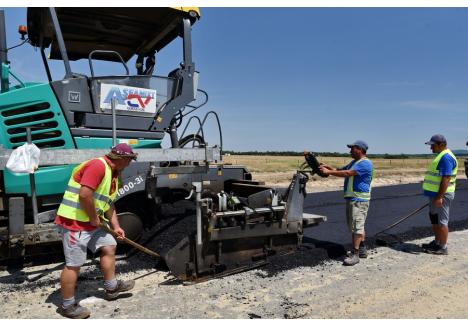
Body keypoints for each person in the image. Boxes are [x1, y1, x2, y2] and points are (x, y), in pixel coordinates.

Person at [54, 143, 138, 318]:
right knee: (74, 264)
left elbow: (108, 203)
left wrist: (116, 226)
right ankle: (67, 306)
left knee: (109, 246)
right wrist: (93, 217)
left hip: (92, 223)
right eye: (130, 159)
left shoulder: (114, 175)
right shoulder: (98, 166)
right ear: (121, 158)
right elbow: (84, 195)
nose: (131, 163)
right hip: (74, 222)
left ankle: (111, 287)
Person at [319, 140, 373, 266]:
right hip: (353, 199)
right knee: (356, 225)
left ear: (360, 149)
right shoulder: (355, 162)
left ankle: (355, 254)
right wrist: (328, 167)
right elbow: (340, 169)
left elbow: (347, 173)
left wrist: (329, 172)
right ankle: (362, 249)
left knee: (357, 226)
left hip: (359, 200)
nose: (350, 151)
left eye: (353, 149)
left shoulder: (365, 163)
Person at [421, 134, 458, 255]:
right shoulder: (441, 155)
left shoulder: (446, 157)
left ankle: (443, 247)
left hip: (442, 195)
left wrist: (439, 197)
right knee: (434, 218)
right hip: (435, 194)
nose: (431, 148)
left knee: (442, 221)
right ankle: (437, 242)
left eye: (433, 146)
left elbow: (446, 178)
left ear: (441, 145)